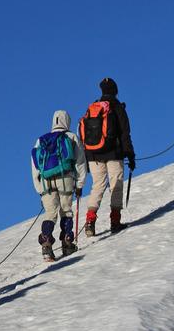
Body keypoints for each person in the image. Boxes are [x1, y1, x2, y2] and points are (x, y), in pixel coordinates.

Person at [80, 78, 135, 236]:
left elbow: (85, 135)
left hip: (93, 155)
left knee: (97, 186)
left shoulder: (93, 108)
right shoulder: (117, 107)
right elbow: (125, 133)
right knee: (116, 184)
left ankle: (90, 221)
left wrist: (86, 157)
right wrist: (130, 155)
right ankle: (115, 221)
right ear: (115, 91)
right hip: (113, 153)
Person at [31, 110, 86, 261]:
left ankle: (46, 246)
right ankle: (67, 243)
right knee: (66, 211)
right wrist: (80, 184)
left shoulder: (41, 141)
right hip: (66, 177)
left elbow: (35, 166)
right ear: (67, 121)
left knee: (50, 213)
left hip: (46, 181)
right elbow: (81, 162)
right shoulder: (71, 137)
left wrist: (39, 189)